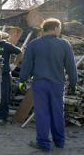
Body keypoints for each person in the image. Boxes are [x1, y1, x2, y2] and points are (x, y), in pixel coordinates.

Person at [19, 18, 77, 152]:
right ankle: (59, 141)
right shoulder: (64, 44)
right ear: (56, 28)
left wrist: (22, 80)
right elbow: (71, 66)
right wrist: (73, 83)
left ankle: (43, 143)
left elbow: (27, 65)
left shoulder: (34, 44)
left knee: (42, 113)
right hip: (57, 84)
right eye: (60, 29)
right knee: (57, 113)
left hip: (40, 83)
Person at [0, 29, 23, 126]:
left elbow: (20, 53)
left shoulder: (6, 45)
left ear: (1, 36)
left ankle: (2, 117)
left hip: (4, 74)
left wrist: (14, 64)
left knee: (4, 96)